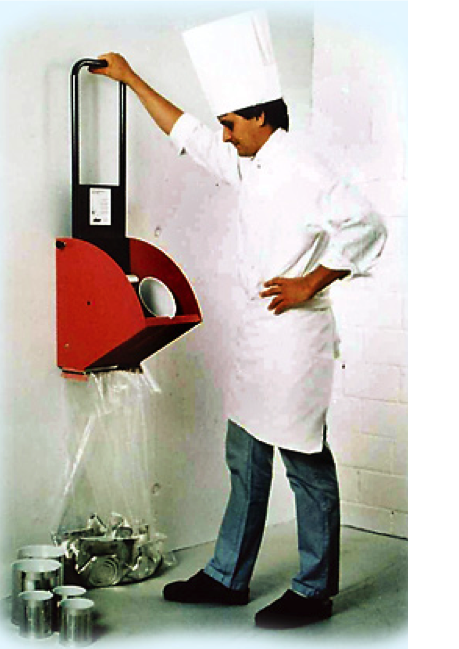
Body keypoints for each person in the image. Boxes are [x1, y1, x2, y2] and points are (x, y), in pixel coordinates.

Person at [89, 11, 387, 630]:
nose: (224, 135)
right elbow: (192, 136)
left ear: (260, 117)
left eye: (231, 123)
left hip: (297, 337)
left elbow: (367, 224)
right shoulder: (254, 161)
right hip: (259, 336)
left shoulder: (304, 166)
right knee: (244, 454)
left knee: (304, 461)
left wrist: (311, 280)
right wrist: (133, 79)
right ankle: (227, 576)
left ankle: (313, 590)